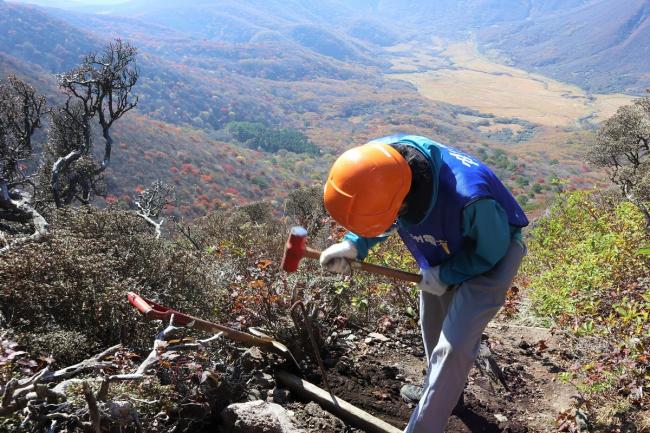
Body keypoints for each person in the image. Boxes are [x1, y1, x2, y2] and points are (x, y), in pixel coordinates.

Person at [319, 134, 528, 433]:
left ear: (405, 201)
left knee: (453, 348)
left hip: (492, 254)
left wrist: (446, 275)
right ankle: (446, 395)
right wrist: (354, 245)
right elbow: (378, 209)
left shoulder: (471, 197)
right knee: (432, 326)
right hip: (442, 249)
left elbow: (490, 252)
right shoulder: (379, 163)